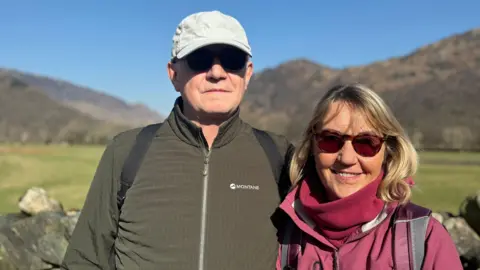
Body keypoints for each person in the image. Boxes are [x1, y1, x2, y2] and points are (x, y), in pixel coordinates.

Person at [61, 10, 293, 270]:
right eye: (200, 59)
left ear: (247, 73)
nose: (217, 72)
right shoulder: (127, 151)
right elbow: (84, 259)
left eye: (232, 59)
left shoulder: (279, 155)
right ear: (174, 74)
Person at [271, 83, 463, 270]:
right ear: (311, 145)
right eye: (330, 139)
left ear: (388, 151)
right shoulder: (283, 233)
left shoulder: (423, 238)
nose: (347, 158)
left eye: (366, 143)